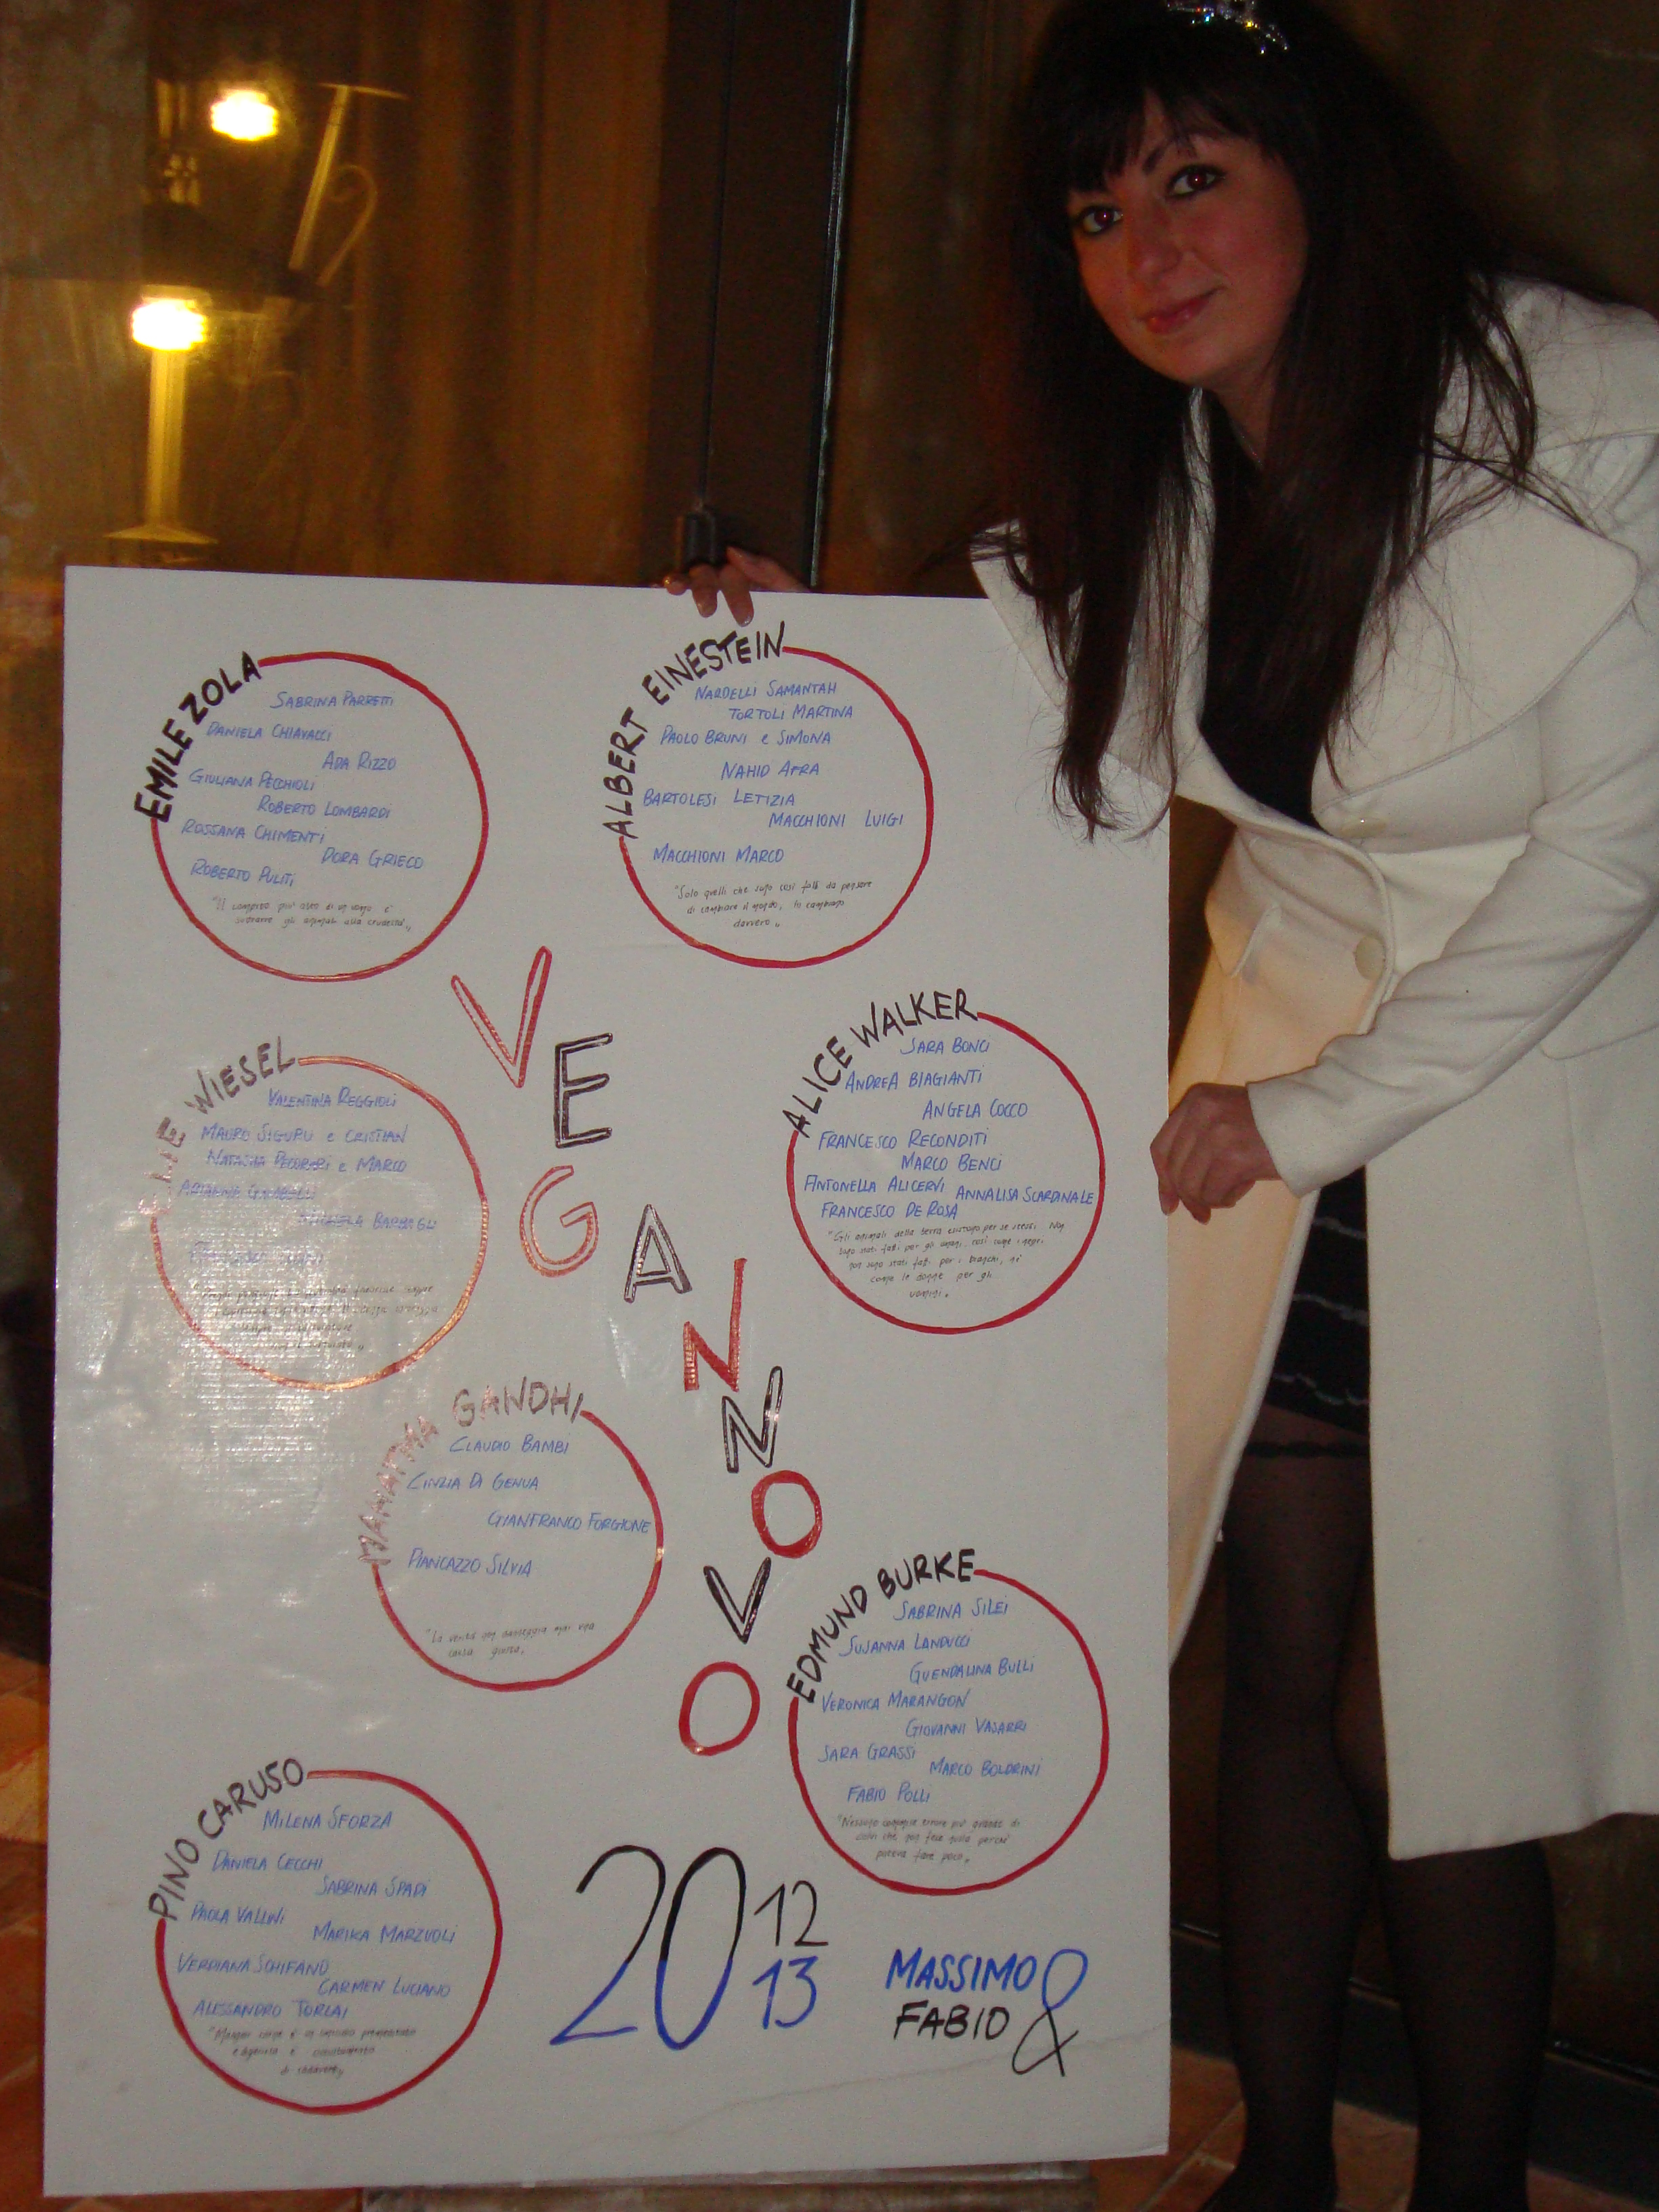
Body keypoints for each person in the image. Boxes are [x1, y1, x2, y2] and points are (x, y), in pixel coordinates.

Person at [675, 5, 1659, 2205]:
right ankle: (1281, 2164)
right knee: (1275, 1653)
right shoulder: (1173, 464)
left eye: (1194, 178)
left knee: (1443, 1714)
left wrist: (1316, 1112)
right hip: (1278, 1087)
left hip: (1542, 1117)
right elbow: (1049, 722)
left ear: (1326, 175)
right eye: (1099, 211)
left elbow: (1617, 856)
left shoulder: (1599, 408)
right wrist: (785, 655)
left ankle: (1473, 2185)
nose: (1147, 253)